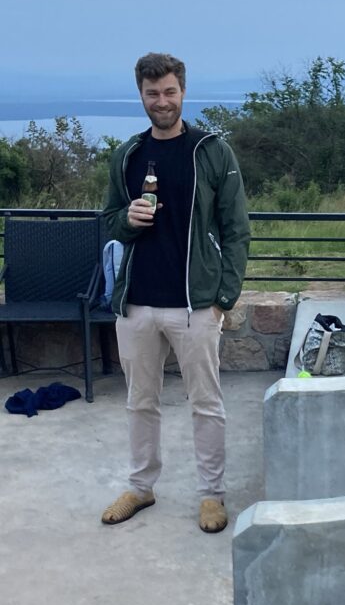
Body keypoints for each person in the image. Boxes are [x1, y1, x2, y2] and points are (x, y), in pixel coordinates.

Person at [100, 52, 250, 533]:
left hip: (194, 305)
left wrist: (224, 295)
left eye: (169, 92)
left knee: (205, 402)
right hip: (137, 303)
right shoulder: (127, 155)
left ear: (183, 91)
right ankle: (141, 488)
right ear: (140, 95)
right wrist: (126, 220)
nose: (161, 101)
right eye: (151, 93)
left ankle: (212, 495)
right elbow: (106, 221)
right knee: (139, 402)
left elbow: (236, 228)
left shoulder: (211, 151)